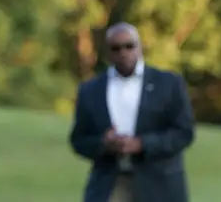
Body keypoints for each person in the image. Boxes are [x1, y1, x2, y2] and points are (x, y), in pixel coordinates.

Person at [68, 22, 196, 202]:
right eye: (116, 48)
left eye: (129, 46)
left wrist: (142, 144)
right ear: (107, 53)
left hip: (158, 183)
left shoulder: (168, 84)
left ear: (140, 47)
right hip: (111, 182)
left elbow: (184, 132)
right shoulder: (91, 90)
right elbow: (78, 140)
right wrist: (104, 144)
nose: (123, 52)